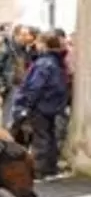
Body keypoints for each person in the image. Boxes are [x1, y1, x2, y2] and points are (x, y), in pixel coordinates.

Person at [12, 32, 69, 180]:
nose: (36, 45)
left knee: (40, 138)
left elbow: (34, 86)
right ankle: (50, 168)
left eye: (38, 43)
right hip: (52, 105)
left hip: (40, 105)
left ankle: (39, 170)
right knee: (49, 137)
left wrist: (25, 104)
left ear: (44, 45)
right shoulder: (58, 62)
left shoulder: (43, 63)